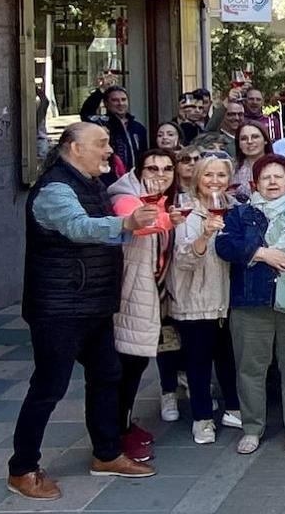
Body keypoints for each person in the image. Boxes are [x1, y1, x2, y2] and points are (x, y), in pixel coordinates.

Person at [8, 123, 157, 500]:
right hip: (59, 309)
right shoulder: (57, 188)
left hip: (92, 303)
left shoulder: (89, 182)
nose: (109, 150)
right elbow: (78, 228)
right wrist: (126, 223)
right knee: (49, 387)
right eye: (101, 144)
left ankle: (107, 454)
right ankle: (22, 469)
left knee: (107, 375)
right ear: (74, 148)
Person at [215, 153, 285, 455]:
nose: (273, 181)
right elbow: (224, 245)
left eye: (279, 176)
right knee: (250, 368)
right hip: (251, 301)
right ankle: (251, 428)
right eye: (266, 177)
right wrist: (261, 253)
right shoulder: (240, 214)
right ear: (255, 183)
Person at [107, 149, 179, 462]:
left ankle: (122, 424)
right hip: (130, 295)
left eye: (167, 168)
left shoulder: (165, 198)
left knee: (134, 366)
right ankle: (116, 435)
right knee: (124, 367)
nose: (160, 174)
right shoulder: (126, 194)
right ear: (139, 170)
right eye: (152, 167)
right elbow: (138, 224)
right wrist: (169, 219)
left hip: (154, 294)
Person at [167, 153, 241, 445]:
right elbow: (183, 260)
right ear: (197, 179)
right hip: (195, 300)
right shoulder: (187, 211)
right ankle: (202, 420)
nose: (214, 181)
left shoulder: (234, 208)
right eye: (208, 175)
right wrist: (205, 236)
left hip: (226, 300)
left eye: (221, 175)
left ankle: (233, 409)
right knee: (198, 364)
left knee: (227, 359)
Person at [80, 84, 148, 180]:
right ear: (106, 103)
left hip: (133, 179)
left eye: (123, 99)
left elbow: (143, 155)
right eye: (115, 100)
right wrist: (100, 91)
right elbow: (86, 112)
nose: (120, 103)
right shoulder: (101, 123)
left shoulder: (138, 128)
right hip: (108, 179)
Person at [231, 122, 272, 202]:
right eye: (244, 138)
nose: (249, 141)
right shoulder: (231, 169)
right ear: (238, 144)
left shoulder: (279, 166)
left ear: (265, 141)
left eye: (255, 137)